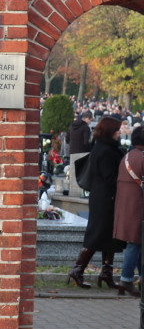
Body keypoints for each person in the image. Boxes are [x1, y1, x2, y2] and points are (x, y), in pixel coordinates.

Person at [67, 115, 125, 289]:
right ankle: (78, 269)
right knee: (97, 235)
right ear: (110, 131)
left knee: (109, 236)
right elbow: (110, 177)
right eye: (117, 129)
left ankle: (106, 273)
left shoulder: (103, 147)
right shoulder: (106, 150)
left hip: (105, 197)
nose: (119, 132)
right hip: (105, 199)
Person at [113, 124, 144, 297]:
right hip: (138, 207)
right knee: (134, 244)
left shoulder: (127, 156)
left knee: (138, 244)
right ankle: (126, 279)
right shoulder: (142, 157)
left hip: (125, 207)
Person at [68, 110, 93, 196]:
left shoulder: (72, 125)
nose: (90, 122)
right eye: (91, 120)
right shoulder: (85, 128)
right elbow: (86, 142)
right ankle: (80, 194)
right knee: (81, 174)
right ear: (87, 118)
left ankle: (72, 193)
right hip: (82, 153)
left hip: (72, 151)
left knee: (73, 173)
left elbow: (67, 139)